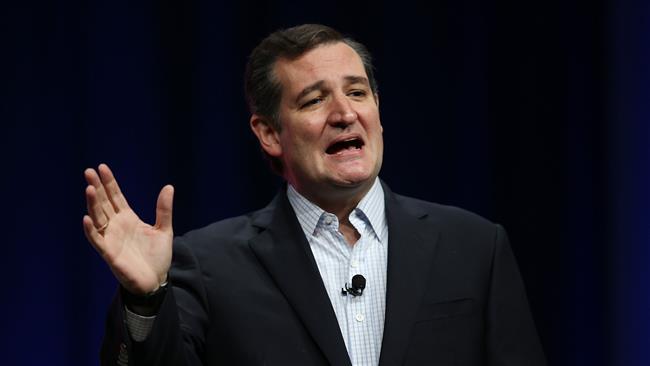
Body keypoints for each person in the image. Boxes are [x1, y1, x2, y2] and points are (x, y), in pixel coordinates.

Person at [83, 24, 546, 366]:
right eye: (314, 100)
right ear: (268, 134)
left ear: (378, 112)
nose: (345, 113)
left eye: (358, 92)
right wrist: (145, 301)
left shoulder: (474, 248)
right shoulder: (206, 266)